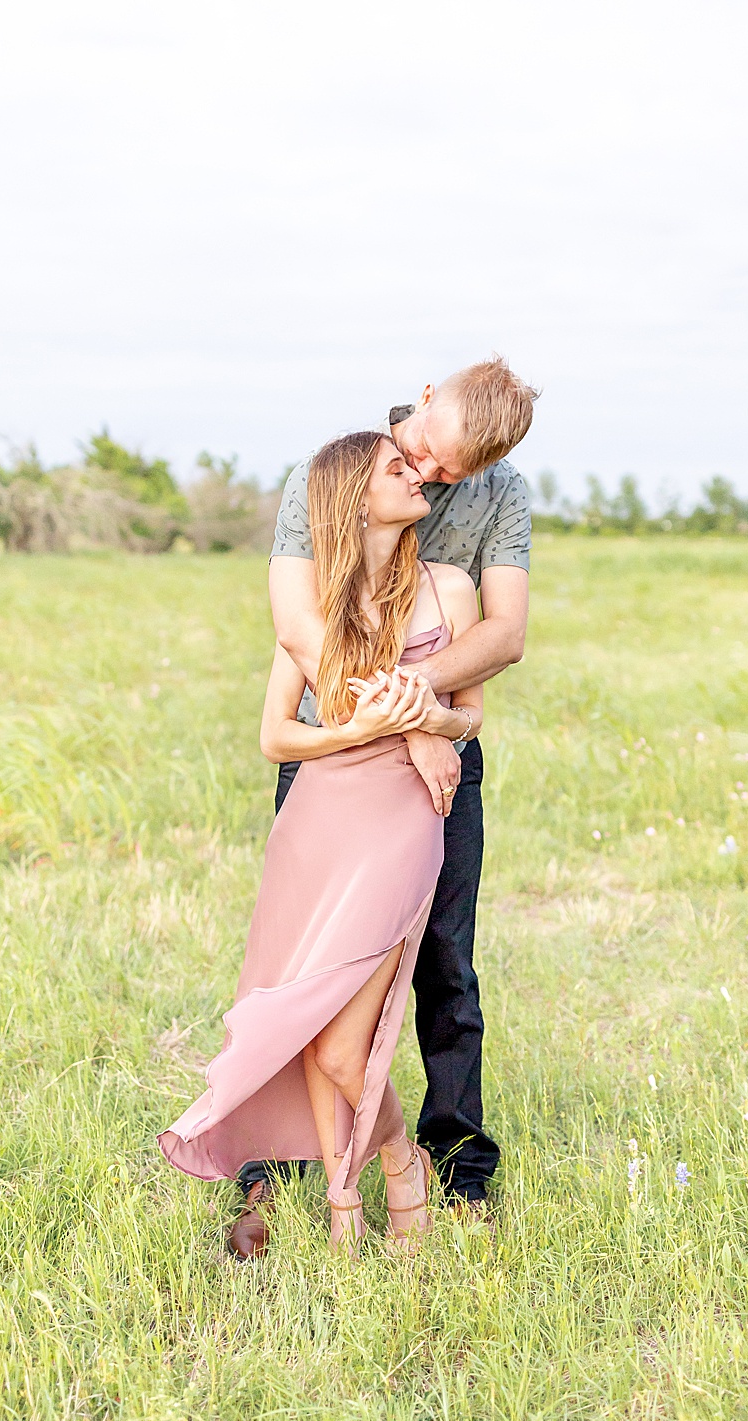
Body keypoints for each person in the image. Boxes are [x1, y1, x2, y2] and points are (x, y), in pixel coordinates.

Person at [229, 357, 538, 1259]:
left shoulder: (501, 495)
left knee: (447, 960)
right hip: (341, 761)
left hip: (433, 759)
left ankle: (455, 1166)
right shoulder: (335, 471)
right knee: (302, 970)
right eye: (427, 458)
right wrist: (405, 721)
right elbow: (300, 624)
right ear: (427, 395)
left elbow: (504, 634)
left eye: (455, 474)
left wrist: (419, 707)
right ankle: (284, 1169)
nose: (435, 480)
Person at [161, 431, 483, 1252]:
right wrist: (362, 729)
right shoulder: (315, 608)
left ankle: (401, 1166)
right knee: (310, 1022)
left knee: (346, 1045)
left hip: (403, 821)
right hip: (316, 821)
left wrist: (427, 722)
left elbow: (469, 715)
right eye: (396, 468)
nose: (417, 474)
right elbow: (276, 736)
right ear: (353, 497)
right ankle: (344, 1204)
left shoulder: (449, 587)